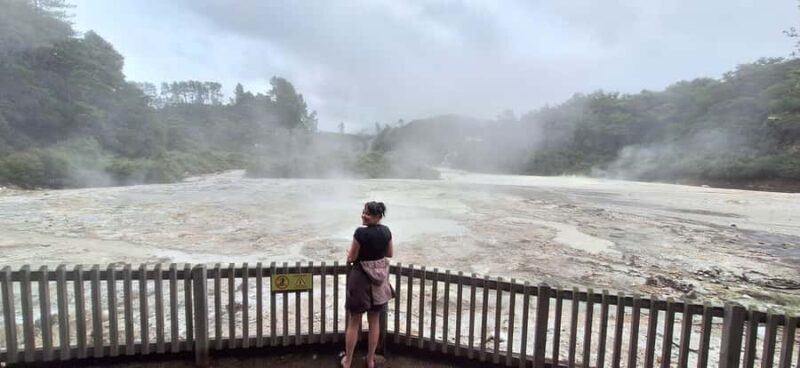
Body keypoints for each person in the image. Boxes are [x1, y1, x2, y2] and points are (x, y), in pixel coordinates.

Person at [340, 201, 394, 368]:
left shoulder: (360, 233)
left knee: (354, 320)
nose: (364, 215)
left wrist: (349, 255)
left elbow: (353, 257)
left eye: (368, 214)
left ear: (378, 217)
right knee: (374, 321)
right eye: (363, 212)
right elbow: (390, 253)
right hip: (379, 281)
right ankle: (370, 360)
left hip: (361, 280)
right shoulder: (386, 231)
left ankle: (348, 360)